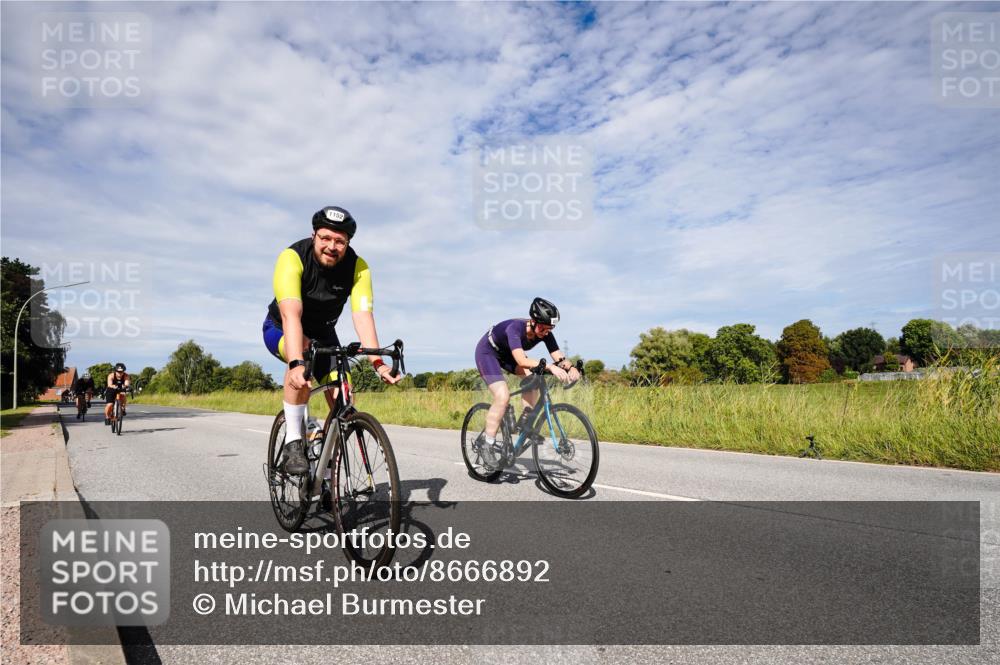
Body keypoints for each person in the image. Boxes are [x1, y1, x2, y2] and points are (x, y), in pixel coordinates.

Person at [263, 205, 400, 475]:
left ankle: (325, 466)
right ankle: (293, 440)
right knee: (302, 355)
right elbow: (292, 315)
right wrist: (295, 363)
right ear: (314, 235)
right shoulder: (292, 257)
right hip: (282, 328)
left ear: (347, 243)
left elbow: (362, 316)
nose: (331, 246)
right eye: (325, 238)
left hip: (324, 334)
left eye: (340, 241)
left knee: (343, 394)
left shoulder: (357, 267)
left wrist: (378, 363)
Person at [473, 297, 579, 465]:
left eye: (550, 328)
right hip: (488, 353)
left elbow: (559, 356)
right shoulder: (514, 328)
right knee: (502, 396)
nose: (546, 332)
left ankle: (525, 420)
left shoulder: (545, 333)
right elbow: (522, 360)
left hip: (509, 356)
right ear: (534, 321)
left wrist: (571, 368)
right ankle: (487, 443)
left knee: (534, 379)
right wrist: (551, 367)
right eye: (544, 328)